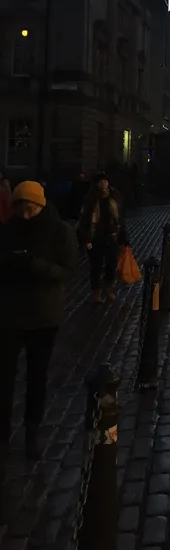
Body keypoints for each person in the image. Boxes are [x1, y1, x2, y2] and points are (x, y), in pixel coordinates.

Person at [0, 181, 77, 455]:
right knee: (5, 375)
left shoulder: (59, 231)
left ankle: (32, 430)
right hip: (9, 314)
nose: (24, 215)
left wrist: (37, 266)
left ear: (40, 206)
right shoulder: (8, 230)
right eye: (20, 208)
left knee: (36, 376)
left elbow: (68, 269)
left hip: (44, 315)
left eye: (29, 209)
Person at [77, 173, 127, 304]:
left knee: (111, 265)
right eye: (100, 182)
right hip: (95, 237)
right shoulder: (91, 200)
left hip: (112, 236)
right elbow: (84, 221)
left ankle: (108, 288)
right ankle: (96, 292)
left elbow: (120, 219)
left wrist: (123, 237)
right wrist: (85, 239)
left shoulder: (115, 198)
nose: (103, 184)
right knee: (96, 266)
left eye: (105, 181)